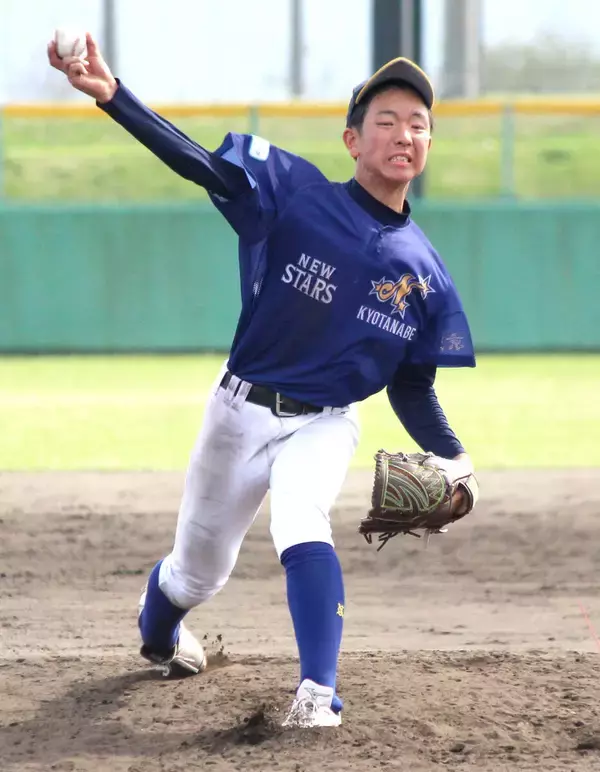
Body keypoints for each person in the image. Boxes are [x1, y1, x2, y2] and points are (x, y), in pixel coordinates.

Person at [48, 33, 477, 729]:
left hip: (325, 420)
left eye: (419, 124)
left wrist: (460, 460)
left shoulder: (423, 274)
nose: (405, 134)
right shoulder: (294, 194)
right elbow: (202, 167)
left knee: (301, 520)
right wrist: (114, 98)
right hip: (239, 410)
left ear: (429, 144)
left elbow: (412, 386)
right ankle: (158, 634)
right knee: (196, 574)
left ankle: (316, 691)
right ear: (353, 139)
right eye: (387, 121)